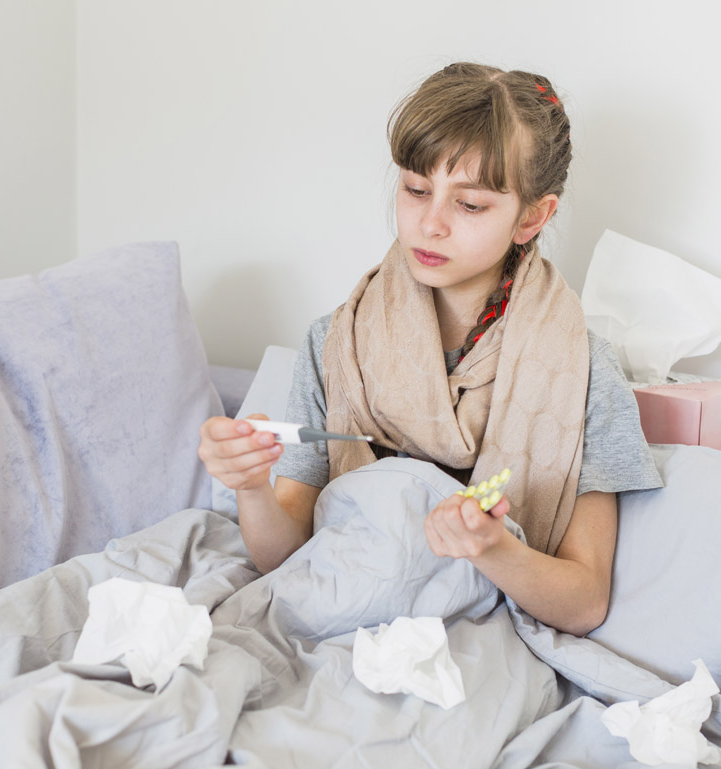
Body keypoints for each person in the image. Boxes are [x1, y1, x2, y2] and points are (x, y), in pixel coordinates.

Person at [198, 62, 661, 636]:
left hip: (472, 644)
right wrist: (250, 488)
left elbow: (585, 602)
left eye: (470, 205)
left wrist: (493, 549)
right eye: (416, 189)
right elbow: (285, 558)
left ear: (532, 217)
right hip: (338, 624)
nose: (430, 223)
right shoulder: (335, 343)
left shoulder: (584, 372)